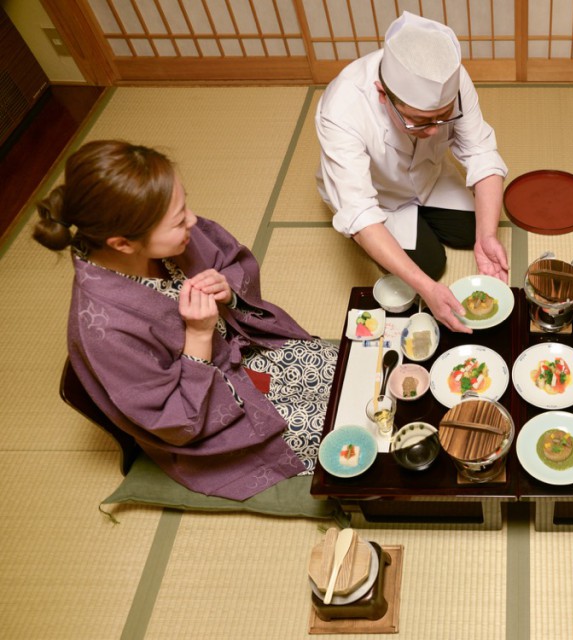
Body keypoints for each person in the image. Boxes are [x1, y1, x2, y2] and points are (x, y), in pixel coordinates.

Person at [34, 140, 338, 500]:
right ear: (122, 244)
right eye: (179, 221)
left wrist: (228, 291)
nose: (192, 221)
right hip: (220, 414)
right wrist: (197, 337)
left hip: (252, 351)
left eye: (185, 206)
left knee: (354, 372)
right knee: (341, 432)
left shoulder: (175, 235)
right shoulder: (104, 328)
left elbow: (231, 259)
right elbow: (173, 421)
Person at [315, 11, 509, 334]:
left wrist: (486, 236)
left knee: (474, 228)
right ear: (382, 95)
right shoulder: (342, 109)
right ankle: (404, 241)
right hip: (380, 199)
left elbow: (481, 152)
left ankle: (437, 225)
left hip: (430, 178)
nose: (434, 132)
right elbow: (361, 214)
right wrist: (426, 289)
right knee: (431, 265)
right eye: (420, 121)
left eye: (442, 118)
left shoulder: (453, 79)